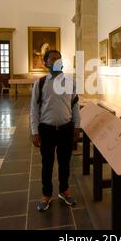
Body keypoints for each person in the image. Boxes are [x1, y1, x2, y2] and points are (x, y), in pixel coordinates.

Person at [30, 50, 81, 211]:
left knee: (65, 163)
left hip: (66, 129)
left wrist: (77, 127)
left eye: (59, 59)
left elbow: (75, 106)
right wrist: (34, 131)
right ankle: (46, 194)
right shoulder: (41, 83)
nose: (57, 61)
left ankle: (64, 191)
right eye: (53, 59)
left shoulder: (71, 82)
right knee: (47, 164)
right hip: (47, 130)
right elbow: (34, 109)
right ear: (46, 63)